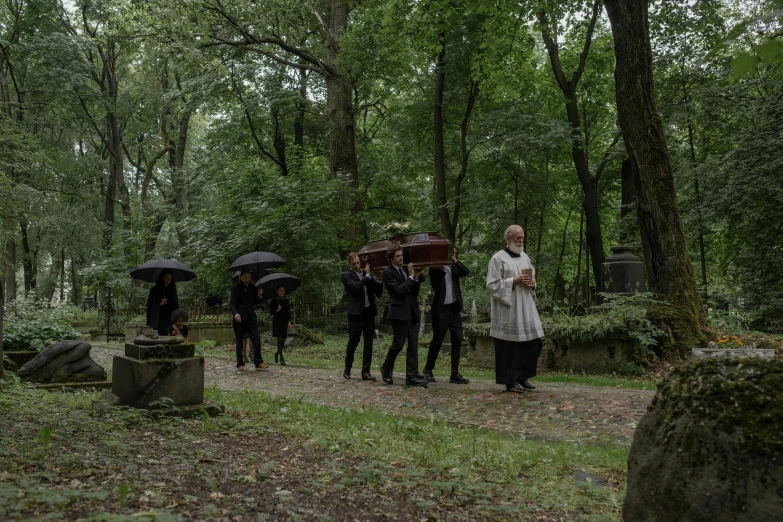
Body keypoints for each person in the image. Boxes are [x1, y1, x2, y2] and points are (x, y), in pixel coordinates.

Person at [486, 225, 544, 394]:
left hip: (526, 306)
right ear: (509, 239)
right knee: (510, 346)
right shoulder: (498, 258)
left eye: (522, 237)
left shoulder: (525, 257)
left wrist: (532, 283)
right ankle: (510, 381)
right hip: (509, 309)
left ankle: (522, 376)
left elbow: (532, 277)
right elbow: (492, 285)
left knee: (533, 342)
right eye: (518, 238)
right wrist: (514, 281)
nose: (521, 241)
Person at [380, 246, 428, 388]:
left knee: (413, 345)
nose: (401, 258)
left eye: (402, 255)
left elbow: (414, 290)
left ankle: (412, 377)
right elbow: (398, 290)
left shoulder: (406, 268)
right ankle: (387, 368)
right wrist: (412, 277)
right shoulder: (387, 273)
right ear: (391, 258)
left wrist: (416, 276)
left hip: (412, 311)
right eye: (397, 256)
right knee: (398, 344)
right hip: (399, 313)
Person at [423, 247, 470, 385]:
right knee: (437, 340)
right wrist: (442, 271)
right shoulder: (435, 269)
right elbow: (436, 287)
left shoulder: (455, 269)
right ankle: (428, 369)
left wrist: (456, 261)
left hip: (454, 309)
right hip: (441, 309)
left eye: (455, 254)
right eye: (451, 254)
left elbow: (466, 271)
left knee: (457, 339)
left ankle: (454, 373)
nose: (453, 256)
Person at [340, 253, 383, 381]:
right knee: (353, 342)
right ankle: (347, 368)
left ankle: (366, 372)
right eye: (354, 263)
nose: (358, 265)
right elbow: (355, 287)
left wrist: (379, 279)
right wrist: (368, 276)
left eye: (359, 263)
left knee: (368, 343)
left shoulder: (366, 274)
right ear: (350, 264)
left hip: (368, 313)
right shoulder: (346, 275)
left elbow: (378, 293)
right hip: (355, 315)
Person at [230, 270, 268, 371]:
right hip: (240, 317)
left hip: (251, 316)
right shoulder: (235, 288)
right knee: (239, 340)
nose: (247, 280)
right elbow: (232, 303)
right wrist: (236, 314)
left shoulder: (253, 288)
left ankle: (258, 362)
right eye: (245, 278)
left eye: (248, 278)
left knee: (256, 339)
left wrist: (259, 295)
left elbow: (255, 302)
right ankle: (240, 363)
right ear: (240, 278)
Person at [146, 271, 179, 336]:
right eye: (166, 278)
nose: (168, 280)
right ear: (162, 278)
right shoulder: (154, 290)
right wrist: (159, 304)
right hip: (159, 318)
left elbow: (176, 304)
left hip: (170, 318)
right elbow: (150, 305)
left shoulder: (172, 290)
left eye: (170, 278)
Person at [269, 286, 291, 365]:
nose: (282, 292)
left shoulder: (286, 301)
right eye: (280, 290)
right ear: (277, 291)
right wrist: (277, 310)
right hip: (277, 321)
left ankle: (277, 353)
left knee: (284, 339)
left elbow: (288, 312)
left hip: (284, 321)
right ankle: (281, 357)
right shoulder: (274, 300)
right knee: (279, 338)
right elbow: (271, 312)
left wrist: (289, 322)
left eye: (283, 290)